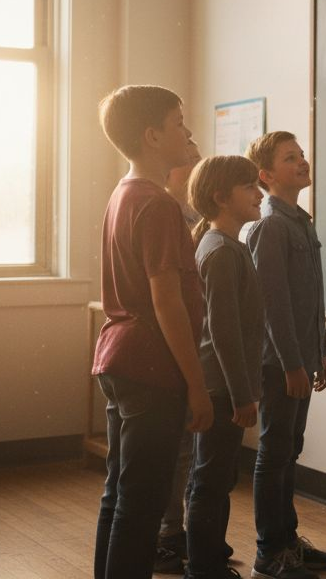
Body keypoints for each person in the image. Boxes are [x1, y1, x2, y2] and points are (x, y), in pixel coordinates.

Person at [92, 85, 215, 579]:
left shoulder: (123, 193)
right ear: (151, 136)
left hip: (119, 358)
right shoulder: (159, 204)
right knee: (140, 504)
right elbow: (168, 303)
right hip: (150, 365)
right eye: (179, 122)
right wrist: (198, 386)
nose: (187, 132)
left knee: (119, 493)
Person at [244, 132, 326, 579]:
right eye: (289, 158)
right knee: (274, 452)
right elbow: (273, 306)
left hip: (303, 358)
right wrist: (292, 364)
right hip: (281, 364)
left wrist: (320, 352)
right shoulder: (270, 225)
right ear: (265, 175)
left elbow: (310, 298)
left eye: (301, 154)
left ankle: (288, 542)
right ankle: (269, 552)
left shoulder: (302, 220)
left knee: (290, 450)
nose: (302, 161)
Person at [184, 155, 266, 579]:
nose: (260, 193)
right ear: (220, 197)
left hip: (225, 388)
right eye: (250, 186)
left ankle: (211, 560)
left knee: (216, 478)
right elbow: (224, 334)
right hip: (221, 390)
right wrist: (242, 395)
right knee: (210, 481)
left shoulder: (229, 246)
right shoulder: (219, 251)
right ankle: (203, 569)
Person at [155, 140, 205, 574]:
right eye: (188, 158)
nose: (193, 164)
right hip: (170, 350)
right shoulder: (162, 212)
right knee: (173, 452)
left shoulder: (195, 217)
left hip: (193, 342)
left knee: (186, 450)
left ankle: (177, 529)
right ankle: (168, 534)